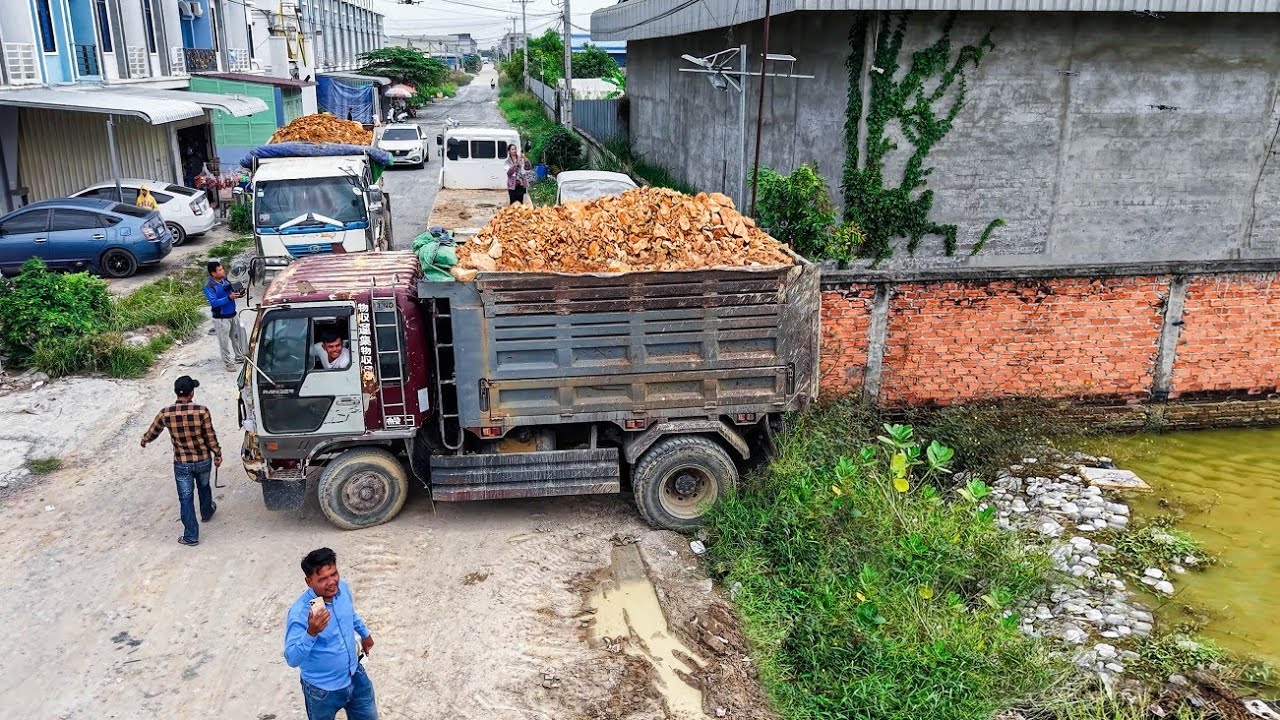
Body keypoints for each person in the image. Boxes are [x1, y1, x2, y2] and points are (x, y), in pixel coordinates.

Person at [285, 548, 378, 720]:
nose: (331, 582)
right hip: (322, 691)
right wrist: (311, 633)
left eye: (334, 574)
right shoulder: (300, 613)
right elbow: (292, 659)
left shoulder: (341, 588)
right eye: (322, 579)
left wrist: (365, 633)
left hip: (355, 675)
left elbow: (350, 613)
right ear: (308, 582)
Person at [140, 376, 221, 547]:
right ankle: (206, 512)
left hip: (182, 463)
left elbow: (153, 431)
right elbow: (210, 436)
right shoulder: (202, 411)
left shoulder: (166, 413)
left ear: (176, 392)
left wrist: (145, 440)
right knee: (204, 487)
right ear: (191, 393)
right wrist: (218, 454)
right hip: (203, 460)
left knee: (185, 498)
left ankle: (191, 536)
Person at [204, 261, 247, 372]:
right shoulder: (209, 286)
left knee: (236, 337)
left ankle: (239, 357)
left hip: (233, 314)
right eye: (220, 270)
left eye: (222, 269)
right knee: (224, 342)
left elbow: (234, 291)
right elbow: (214, 302)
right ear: (213, 273)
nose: (223, 271)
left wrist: (239, 293)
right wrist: (229, 298)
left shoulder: (226, 280)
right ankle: (228, 363)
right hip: (221, 318)